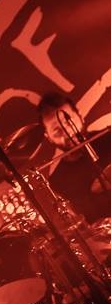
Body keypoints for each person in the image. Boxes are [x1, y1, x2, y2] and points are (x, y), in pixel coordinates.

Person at [38, 91, 111, 224]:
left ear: (79, 115)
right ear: (48, 137)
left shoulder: (108, 137)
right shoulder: (58, 181)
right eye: (56, 129)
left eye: (68, 121)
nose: (67, 131)